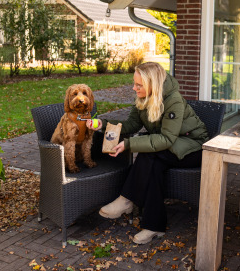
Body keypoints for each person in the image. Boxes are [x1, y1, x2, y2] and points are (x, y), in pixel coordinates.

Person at [86, 62, 209, 244]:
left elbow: (166, 139)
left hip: (193, 147)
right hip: (168, 146)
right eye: (134, 83)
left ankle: (126, 199)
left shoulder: (172, 100)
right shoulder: (143, 97)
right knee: (153, 165)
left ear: (153, 84)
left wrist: (128, 144)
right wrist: (101, 124)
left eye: (139, 85)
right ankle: (154, 227)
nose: (134, 88)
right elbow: (131, 125)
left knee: (148, 154)